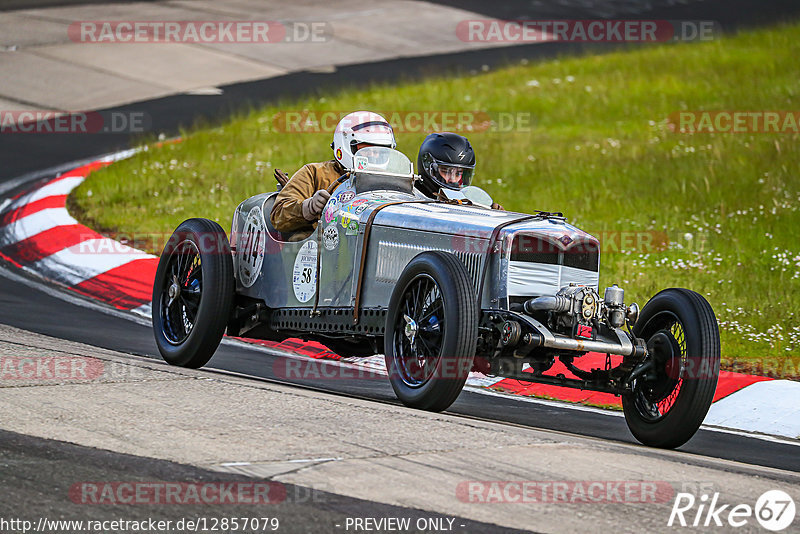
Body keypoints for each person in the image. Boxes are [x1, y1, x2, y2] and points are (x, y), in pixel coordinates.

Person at [270, 111, 396, 235]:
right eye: (365, 148)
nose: (373, 154)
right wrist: (309, 207)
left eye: (380, 150)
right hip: (323, 248)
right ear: (345, 145)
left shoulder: (394, 181)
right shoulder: (314, 173)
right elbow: (278, 216)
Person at [416, 132, 504, 210]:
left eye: (458, 173)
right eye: (446, 171)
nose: (453, 180)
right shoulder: (409, 198)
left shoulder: (468, 202)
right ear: (427, 166)